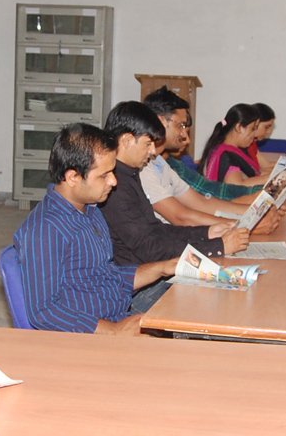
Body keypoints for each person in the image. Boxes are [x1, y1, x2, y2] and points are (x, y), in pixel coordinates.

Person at [12, 122, 179, 333]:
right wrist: (113, 330)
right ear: (73, 177)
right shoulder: (46, 229)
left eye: (113, 172)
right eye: (104, 175)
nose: (114, 181)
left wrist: (164, 267)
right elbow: (44, 311)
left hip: (117, 313)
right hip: (90, 334)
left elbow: (106, 275)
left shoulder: (91, 210)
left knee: (189, 309)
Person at [100, 101, 251, 311]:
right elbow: (151, 249)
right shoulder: (116, 185)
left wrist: (207, 233)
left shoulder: (129, 174)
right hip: (137, 292)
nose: (153, 151)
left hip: (153, 277)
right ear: (126, 140)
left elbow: (157, 229)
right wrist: (218, 246)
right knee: (226, 303)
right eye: (148, 144)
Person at [141, 88, 281, 230]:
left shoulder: (160, 163)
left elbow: (202, 203)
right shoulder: (143, 167)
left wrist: (257, 213)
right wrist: (246, 225)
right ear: (161, 122)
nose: (186, 138)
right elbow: (181, 217)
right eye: (180, 126)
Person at [198, 103, 266, 185]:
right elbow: (236, 185)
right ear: (239, 127)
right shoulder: (226, 155)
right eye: (253, 129)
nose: (254, 134)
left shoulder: (235, 150)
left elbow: (252, 174)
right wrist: (269, 178)